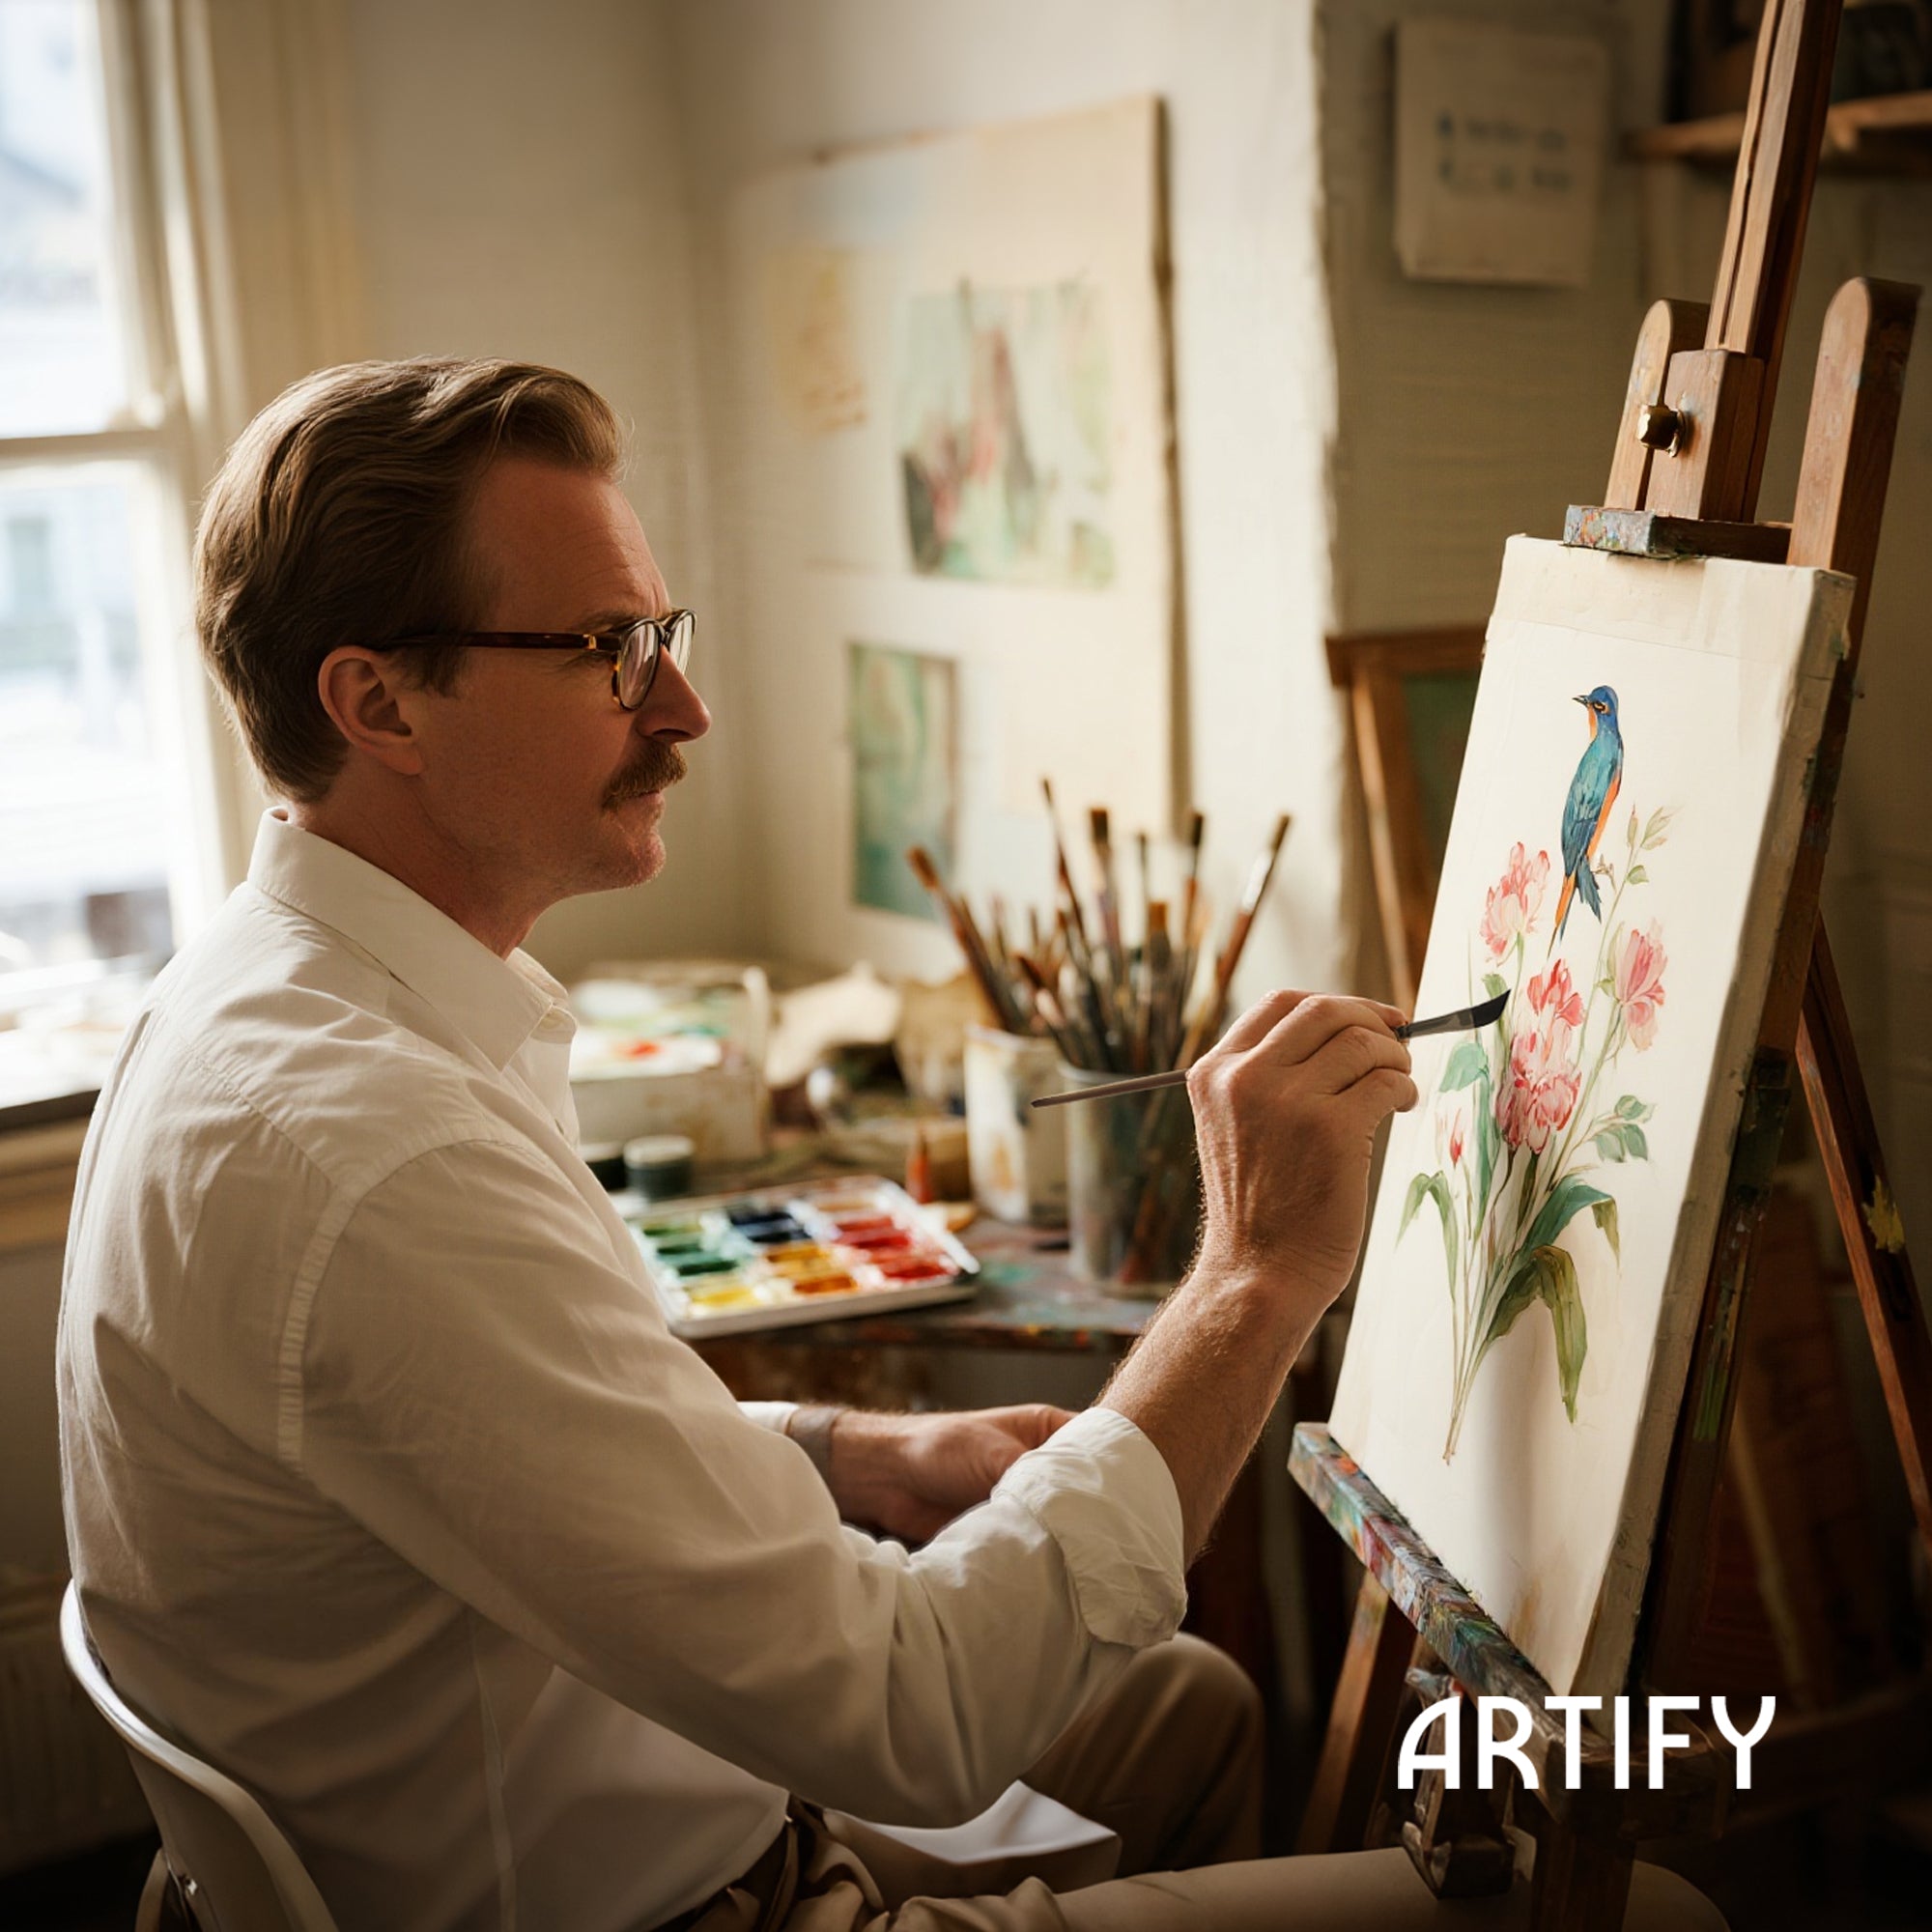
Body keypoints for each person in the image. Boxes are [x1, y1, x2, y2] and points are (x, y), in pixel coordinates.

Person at [58, 360, 1723, 1932]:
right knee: (1654, 1916)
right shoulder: (376, 1150)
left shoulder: (279, 1002)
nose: (686, 706)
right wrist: (1259, 1272)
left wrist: (848, 1453)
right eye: (610, 650)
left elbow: (511, 1439)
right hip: (710, 1898)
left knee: (1191, 1703)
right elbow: (914, 1714)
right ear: (378, 704)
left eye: (665, 632)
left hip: (584, 1802)